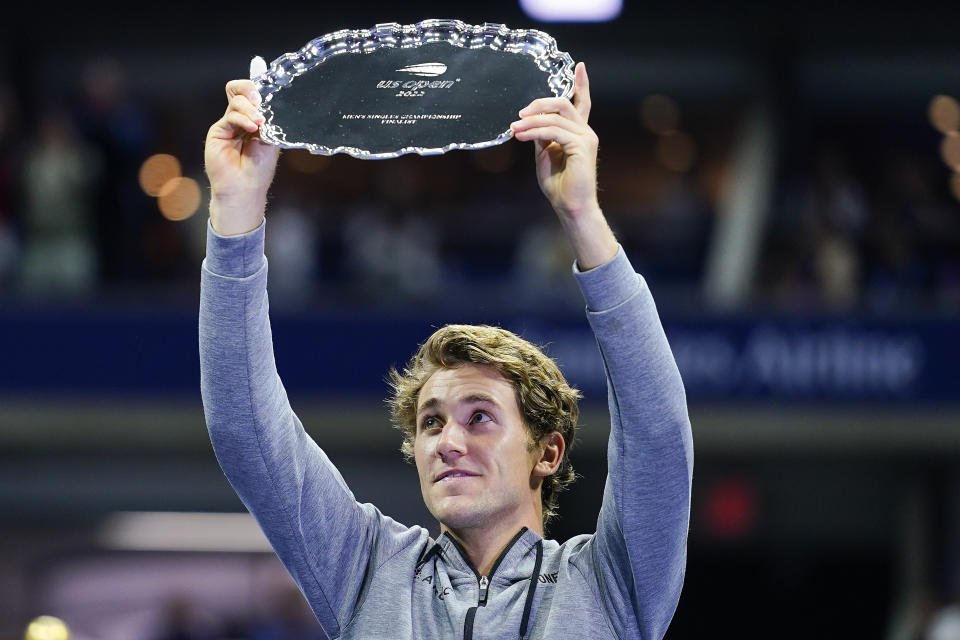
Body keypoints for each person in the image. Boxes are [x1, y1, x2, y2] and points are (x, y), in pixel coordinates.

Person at [200, 62, 693, 640]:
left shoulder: (611, 582)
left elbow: (657, 435)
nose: (447, 443)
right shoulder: (367, 571)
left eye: (479, 417)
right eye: (431, 423)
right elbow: (244, 428)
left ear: (548, 452)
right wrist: (235, 213)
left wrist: (582, 216)